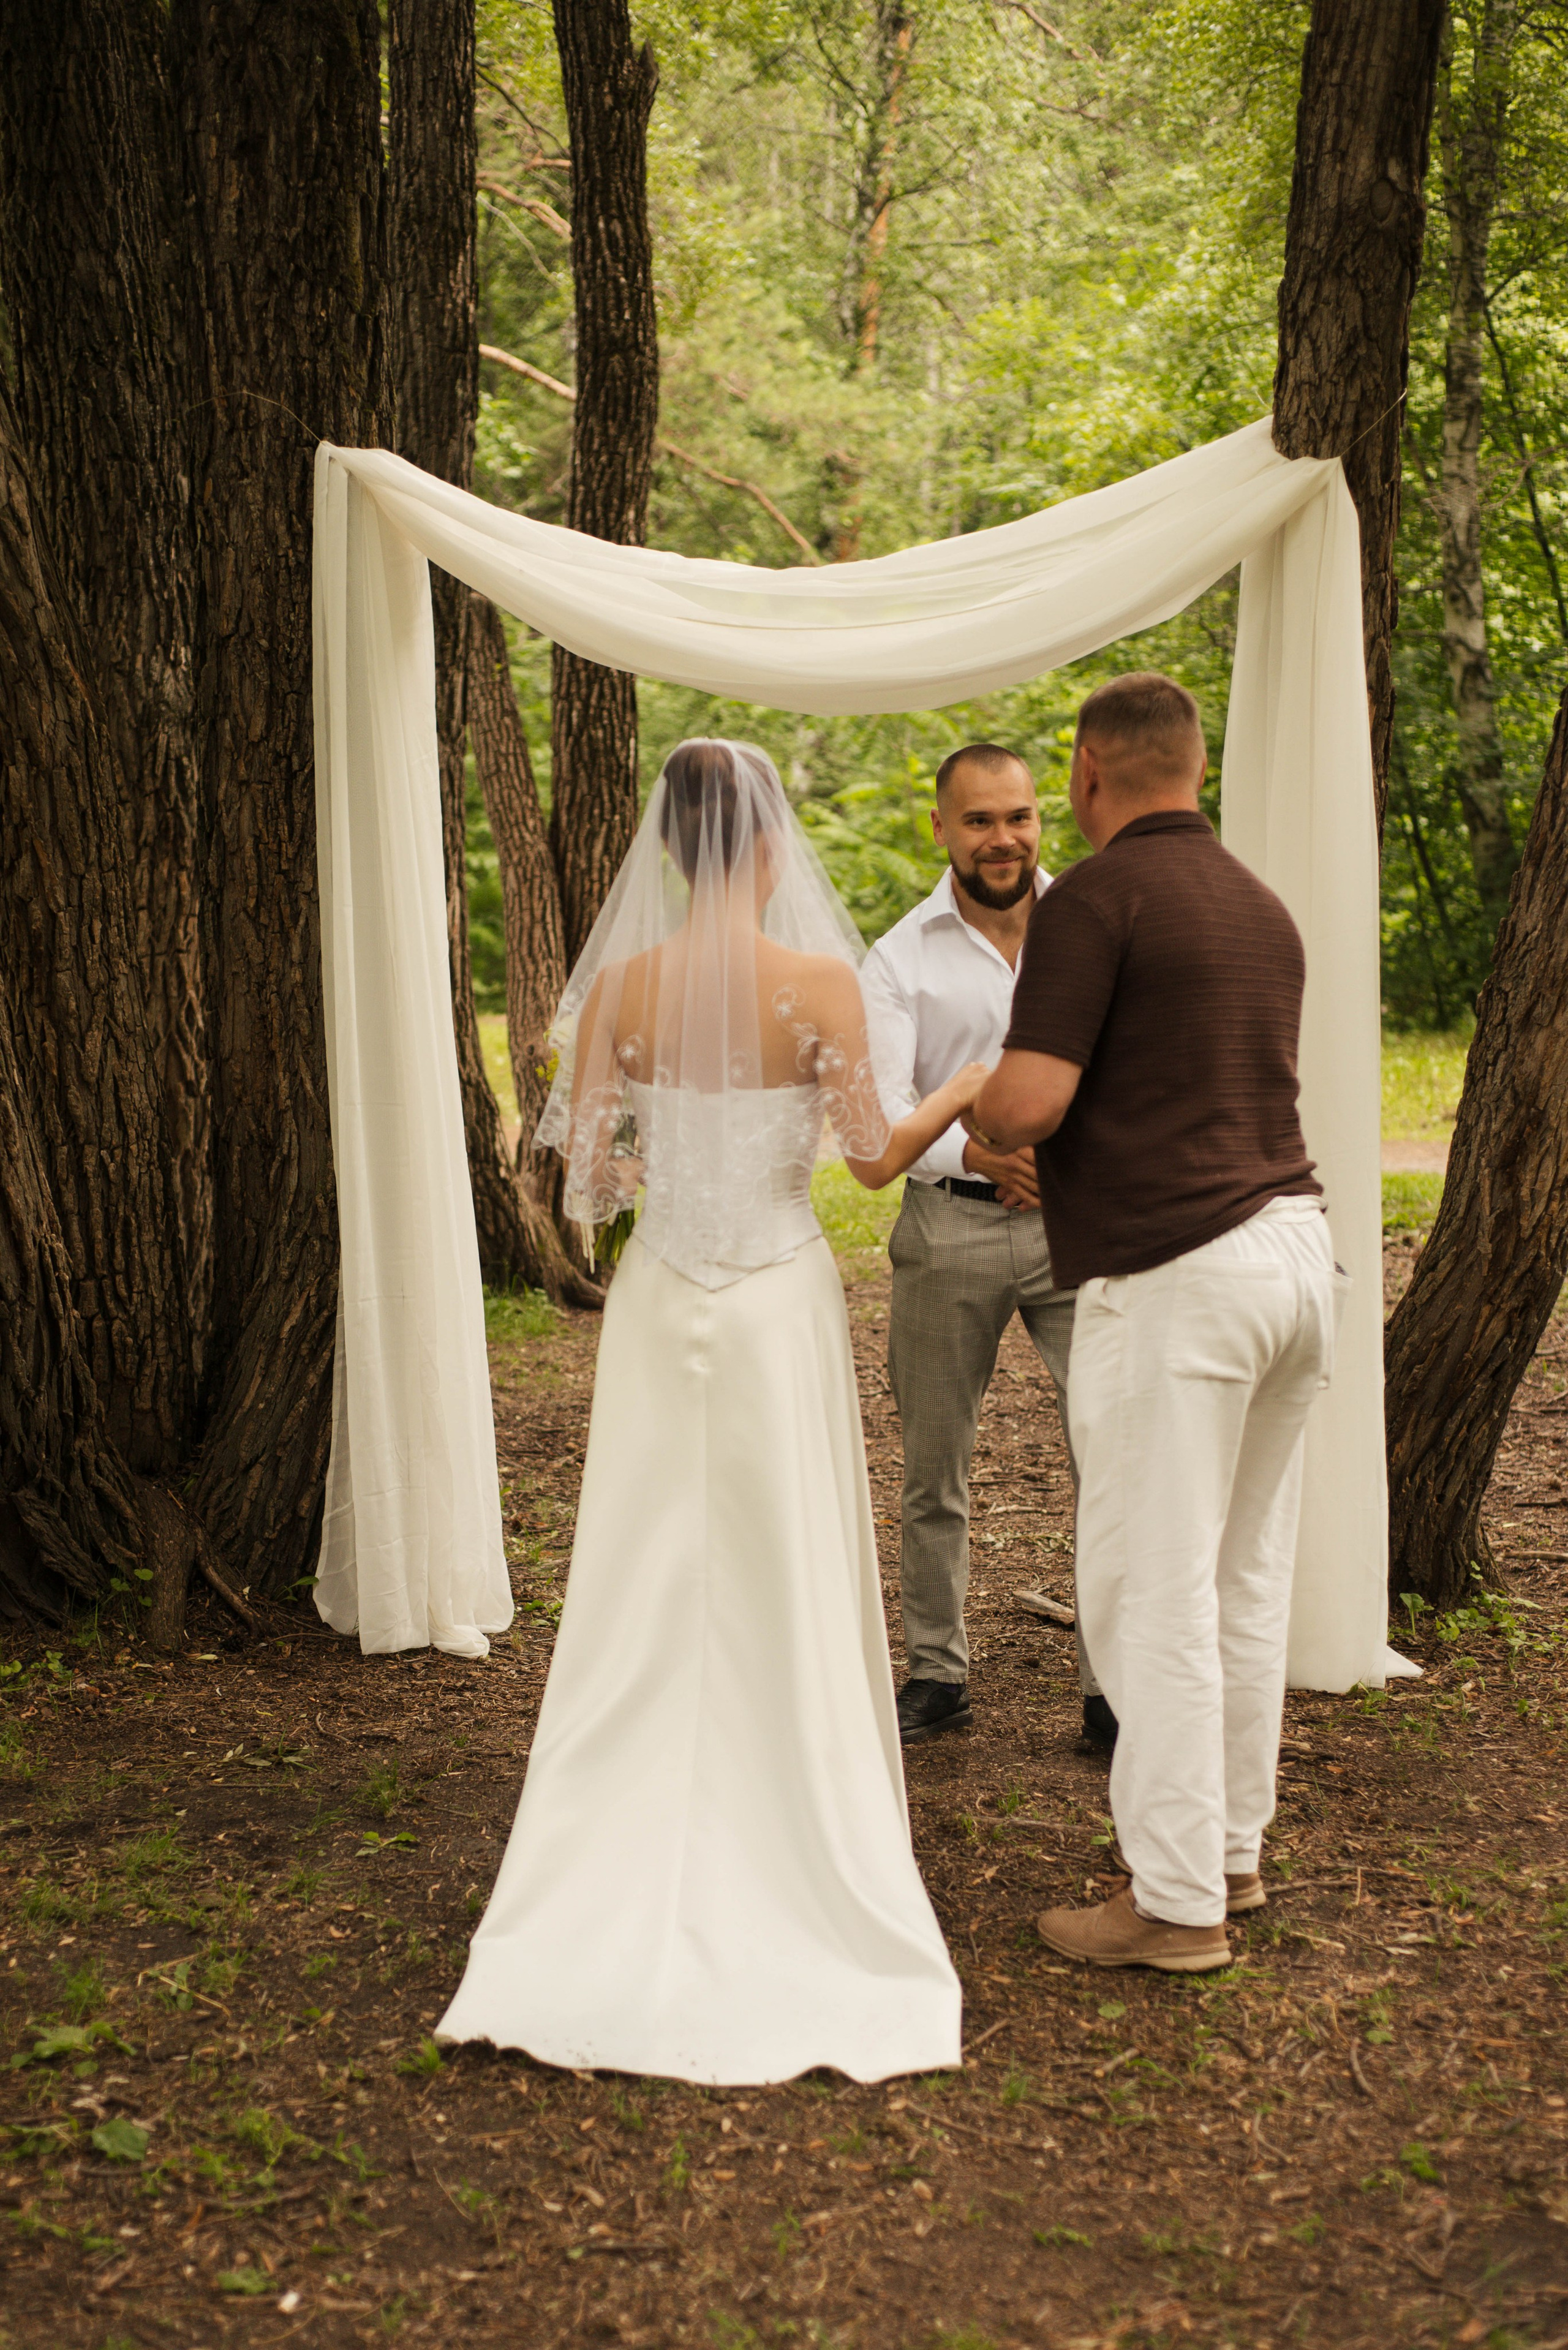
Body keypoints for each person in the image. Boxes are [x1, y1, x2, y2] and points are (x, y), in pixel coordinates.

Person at [437, 740, 988, 2084]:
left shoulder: (619, 988)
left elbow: (590, 1186)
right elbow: (865, 1160)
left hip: (663, 1294)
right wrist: (962, 1092)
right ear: (761, 844)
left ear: (671, 849)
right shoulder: (815, 986)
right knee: (778, 1553)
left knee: (645, 1559)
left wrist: (673, 1170)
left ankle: (614, 1825)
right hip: (772, 1298)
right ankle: (791, 1811)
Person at [966, 674, 1341, 1974]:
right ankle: (1227, 1852)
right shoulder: (1258, 904)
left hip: (1178, 1274)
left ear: (1085, 775)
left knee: (1147, 1585)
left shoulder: (1098, 899)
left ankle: (1169, 1899)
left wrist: (986, 1116)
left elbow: (1027, 1101)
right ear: (1193, 766)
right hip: (1297, 1252)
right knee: (1242, 1577)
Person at [861, 744, 1113, 1749]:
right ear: (940, 828)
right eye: (978, 820)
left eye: (1017, 816)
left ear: (1040, 818)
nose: (1001, 837)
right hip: (950, 1224)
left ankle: (1112, 1685)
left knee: (1113, 1450)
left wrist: (1061, 1159)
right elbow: (880, 1111)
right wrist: (981, 1150)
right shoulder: (896, 959)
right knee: (935, 1464)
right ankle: (936, 1673)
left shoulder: (1094, 925)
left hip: (1079, 1225)